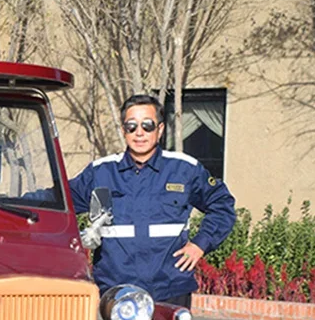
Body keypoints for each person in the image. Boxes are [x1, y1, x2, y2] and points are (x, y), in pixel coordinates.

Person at [69, 94, 236, 308]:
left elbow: (222, 205)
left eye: (147, 125)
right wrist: (14, 205)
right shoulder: (101, 172)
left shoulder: (184, 170)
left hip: (170, 289)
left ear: (160, 129)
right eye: (132, 126)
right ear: (123, 130)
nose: (139, 133)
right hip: (115, 290)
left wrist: (199, 244)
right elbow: (59, 202)